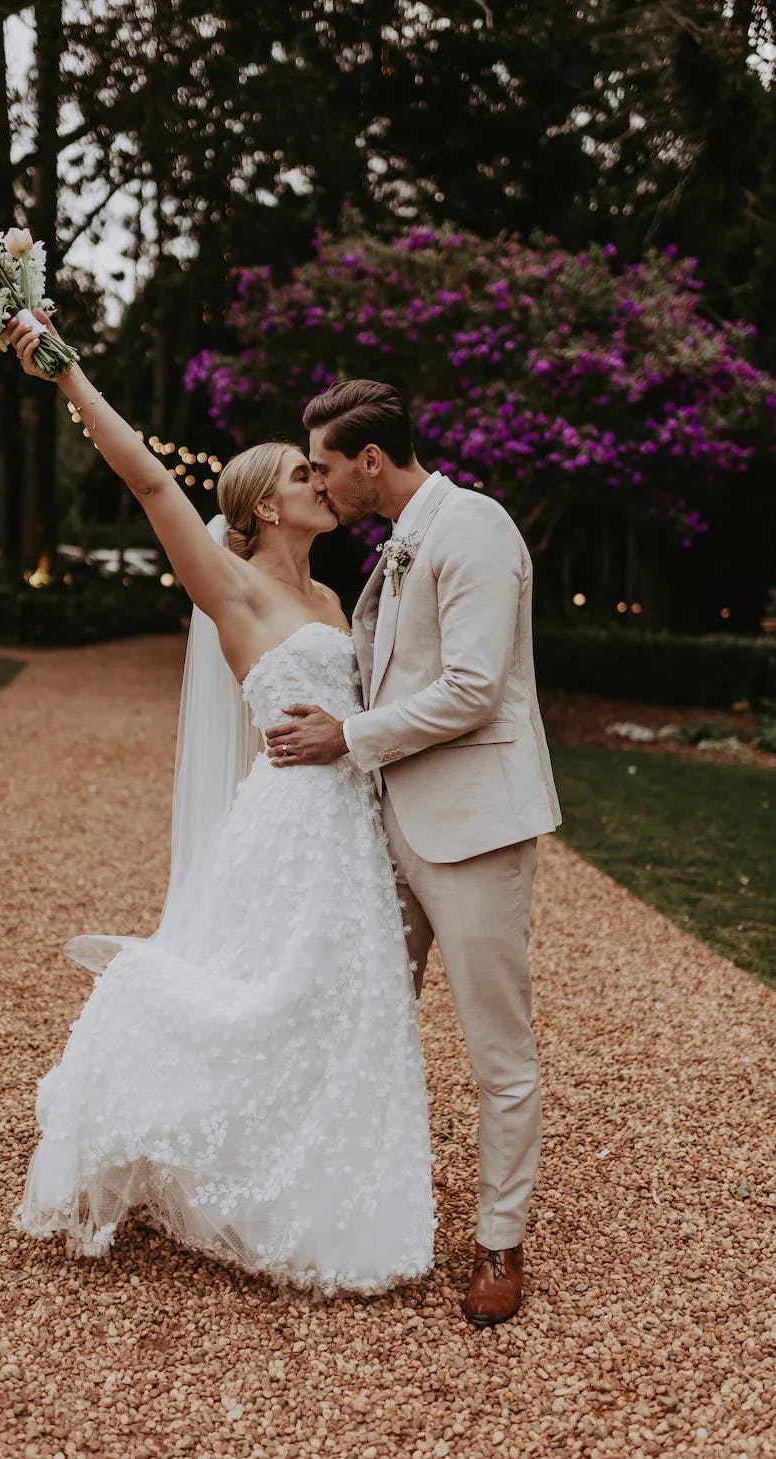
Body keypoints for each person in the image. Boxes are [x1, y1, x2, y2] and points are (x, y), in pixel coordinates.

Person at [4, 310, 436, 1299]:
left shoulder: (341, 601)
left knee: (340, 1014)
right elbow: (151, 480)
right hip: (285, 827)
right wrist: (65, 371)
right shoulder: (233, 593)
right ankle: (185, 1139)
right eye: (299, 474)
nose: (318, 482)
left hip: (353, 835)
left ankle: (321, 1196)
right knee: (257, 1000)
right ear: (264, 507)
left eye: (317, 471)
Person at [263, 378, 562, 1327]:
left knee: (495, 1049)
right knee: (356, 1015)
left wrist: (344, 737)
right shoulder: (391, 550)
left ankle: (498, 1240)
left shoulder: (473, 529)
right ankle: (339, 1204)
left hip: (473, 831)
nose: (316, 483)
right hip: (389, 828)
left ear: (370, 463)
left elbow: (473, 690)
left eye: (321, 467)